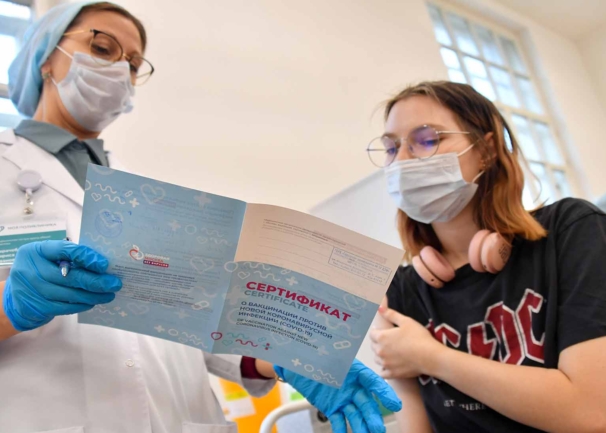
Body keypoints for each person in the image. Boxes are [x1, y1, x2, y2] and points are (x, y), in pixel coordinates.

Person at [0, 3, 400, 432]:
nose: (118, 71)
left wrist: (287, 353)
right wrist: (10, 307)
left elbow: (197, 325)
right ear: (45, 58)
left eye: (132, 65)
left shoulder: (142, 195)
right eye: (102, 48)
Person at [366, 81, 606, 432]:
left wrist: (432, 358)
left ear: (487, 150)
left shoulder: (573, 232)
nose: (402, 160)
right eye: (391, 148)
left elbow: (596, 415)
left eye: (428, 140)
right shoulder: (400, 293)